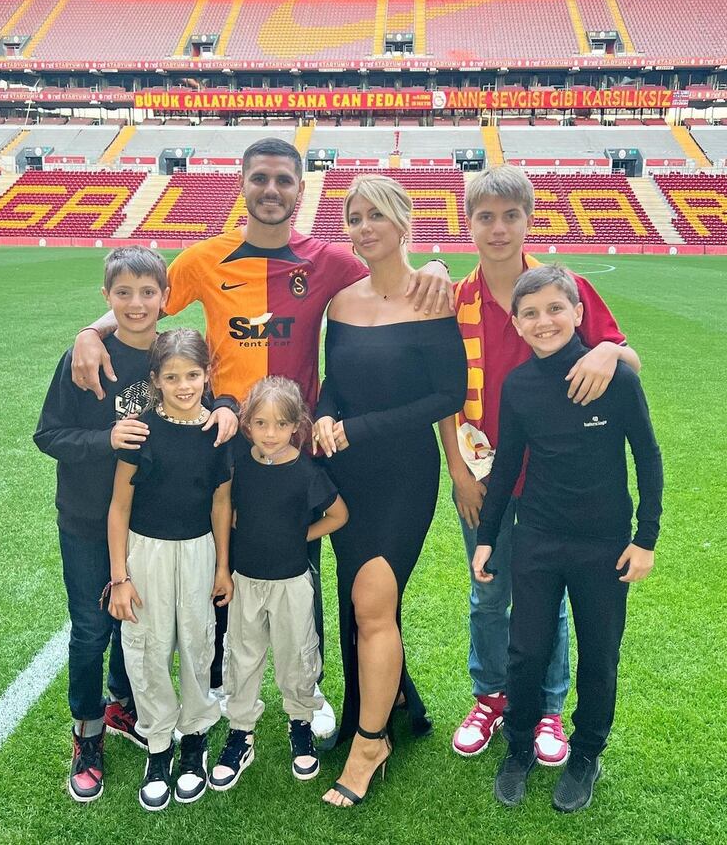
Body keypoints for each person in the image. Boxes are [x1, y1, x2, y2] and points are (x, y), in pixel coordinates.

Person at [71, 138, 453, 737]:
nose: (271, 190)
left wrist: (437, 265)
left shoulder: (329, 261)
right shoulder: (204, 259)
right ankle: (222, 680)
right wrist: (90, 333)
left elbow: (392, 272)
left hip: (300, 448)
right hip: (224, 440)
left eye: (283, 180)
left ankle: (309, 686)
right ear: (242, 184)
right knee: (222, 557)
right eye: (260, 179)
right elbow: (142, 303)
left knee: (302, 565)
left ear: (300, 190)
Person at [438, 165, 642, 766]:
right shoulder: (455, 300)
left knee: (546, 599)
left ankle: (548, 706)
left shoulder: (562, 287)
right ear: (468, 224)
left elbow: (628, 357)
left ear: (529, 221)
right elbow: (445, 395)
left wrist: (607, 352)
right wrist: (458, 473)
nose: (498, 228)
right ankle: (490, 696)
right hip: (485, 479)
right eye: (485, 217)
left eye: (511, 215)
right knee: (487, 594)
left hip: (556, 480)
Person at [472, 265, 662, 812]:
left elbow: (647, 458)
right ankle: (518, 748)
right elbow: (507, 466)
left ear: (578, 313)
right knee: (526, 652)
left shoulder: (616, 379)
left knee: (599, 656)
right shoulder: (519, 385)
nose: (544, 321)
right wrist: (487, 537)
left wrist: (645, 538)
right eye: (530, 313)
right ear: (517, 324)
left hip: (605, 544)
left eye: (556, 308)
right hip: (537, 538)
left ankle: (586, 754)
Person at [314, 175, 467, 808]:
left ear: (403, 222)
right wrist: (326, 414)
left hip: (404, 473)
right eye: (354, 217)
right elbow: (334, 382)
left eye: (376, 215)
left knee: (372, 601)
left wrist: (358, 428)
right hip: (346, 472)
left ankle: (369, 744)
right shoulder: (341, 303)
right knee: (362, 601)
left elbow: (446, 396)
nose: (364, 227)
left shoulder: (433, 296)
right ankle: (396, 698)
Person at [33, 245, 168, 803]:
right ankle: (87, 732)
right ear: (105, 297)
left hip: (151, 523)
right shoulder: (84, 357)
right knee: (91, 628)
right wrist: (105, 440)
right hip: (87, 518)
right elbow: (48, 434)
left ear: (165, 298)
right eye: (123, 292)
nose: (136, 303)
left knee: (135, 621)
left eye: (147, 292)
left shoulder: (173, 355)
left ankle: (121, 702)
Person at [106, 328, 233, 811]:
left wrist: (222, 567)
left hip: (199, 551)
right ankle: (159, 745)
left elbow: (221, 503)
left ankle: (195, 738)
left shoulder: (216, 433)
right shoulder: (139, 431)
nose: (184, 386)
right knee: (148, 647)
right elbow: (119, 507)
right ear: (155, 380)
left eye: (193, 375)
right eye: (172, 377)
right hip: (147, 554)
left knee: (199, 642)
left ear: (207, 376)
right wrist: (120, 578)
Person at [209, 377, 349, 792]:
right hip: (246, 581)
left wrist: (298, 536)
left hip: (291, 583)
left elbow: (339, 515)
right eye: (261, 423)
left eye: (281, 424)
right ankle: (241, 731)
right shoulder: (239, 464)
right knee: (242, 655)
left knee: (296, 656)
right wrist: (228, 561)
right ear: (247, 424)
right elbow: (228, 509)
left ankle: (300, 724)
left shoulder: (307, 471)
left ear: (297, 426)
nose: (270, 434)